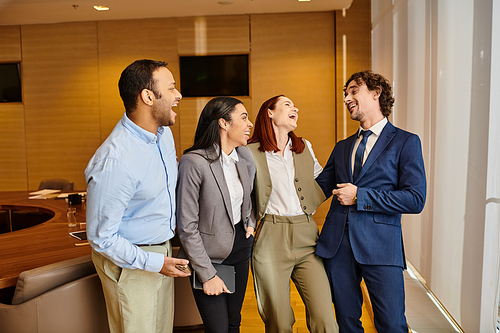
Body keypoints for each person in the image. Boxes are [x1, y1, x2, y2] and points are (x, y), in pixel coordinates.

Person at [316, 70, 427, 332]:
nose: (346, 98)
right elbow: (316, 189)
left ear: (376, 93)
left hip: (381, 247)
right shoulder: (342, 146)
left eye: (354, 91)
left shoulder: (405, 142)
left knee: (391, 324)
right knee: (346, 323)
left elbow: (415, 199)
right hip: (337, 246)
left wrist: (360, 196)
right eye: (345, 94)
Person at [85, 59, 191, 333]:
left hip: (161, 254)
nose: (178, 95)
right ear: (147, 97)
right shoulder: (115, 160)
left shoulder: (164, 135)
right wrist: (155, 263)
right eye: (171, 88)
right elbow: (101, 238)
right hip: (133, 264)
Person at [247, 95, 338, 333]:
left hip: (307, 236)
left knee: (325, 318)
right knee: (279, 322)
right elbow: (240, 193)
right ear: (269, 112)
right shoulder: (249, 152)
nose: (294, 108)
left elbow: (320, 180)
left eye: (295, 105)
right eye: (287, 104)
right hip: (270, 237)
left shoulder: (304, 147)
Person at [176, 96, 255, 333]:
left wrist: (250, 222)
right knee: (218, 328)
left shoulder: (245, 156)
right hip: (208, 256)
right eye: (243, 117)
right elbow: (187, 226)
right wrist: (207, 274)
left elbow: (248, 198)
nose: (249, 124)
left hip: (241, 249)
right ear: (223, 123)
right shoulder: (194, 162)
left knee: (234, 322)